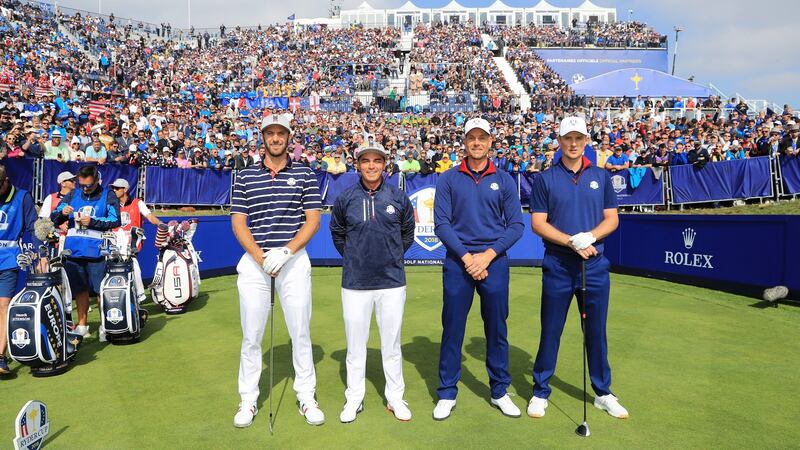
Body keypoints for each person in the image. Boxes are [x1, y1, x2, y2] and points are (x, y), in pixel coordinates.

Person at [527, 116, 629, 420]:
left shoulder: (600, 175)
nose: (573, 144)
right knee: (552, 330)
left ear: (586, 141)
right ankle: (540, 390)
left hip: (595, 265)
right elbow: (538, 223)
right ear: (559, 141)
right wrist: (571, 240)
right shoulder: (546, 178)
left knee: (596, 331)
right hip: (558, 264)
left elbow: (612, 218)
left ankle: (603, 392)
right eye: (568, 138)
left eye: (579, 138)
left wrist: (592, 236)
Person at [230, 114, 325, 428]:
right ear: (263, 137)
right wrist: (260, 256)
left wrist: (286, 251)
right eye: (269, 133)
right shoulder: (245, 176)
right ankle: (248, 399)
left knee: (300, 333)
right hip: (255, 262)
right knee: (252, 336)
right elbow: (238, 222)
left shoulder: (305, 173)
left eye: (280, 133)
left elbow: (313, 219)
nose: (275, 138)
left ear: (288, 137)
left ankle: (306, 396)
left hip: (294, 261)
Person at [432, 118, 524, 420]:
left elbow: (516, 226)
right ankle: (447, 392)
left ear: (490, 142)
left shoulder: (505, 179)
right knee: (453, 329)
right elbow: (442, 224)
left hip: (493, 262)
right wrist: (467, 258)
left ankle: (499, 390)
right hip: (458, 262)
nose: (476, 143)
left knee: (497, 329)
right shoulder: (448, 179)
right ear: (465, 141)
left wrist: (486, 256)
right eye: (471, 138)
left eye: (482, 138)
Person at [329, 144, 415, 423]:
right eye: (365, 161)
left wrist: (388, 258)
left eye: (377, 161)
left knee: (391, 345)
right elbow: (338, 234)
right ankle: (354, 398)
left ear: (384, 164)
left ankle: (395, 397)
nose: (371, 166)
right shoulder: (345, 199)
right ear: (358, 165)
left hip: (391, 282)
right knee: (356, 347)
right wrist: (357, 259)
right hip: (355, 283)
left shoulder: (398, 197)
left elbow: (407, 235)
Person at [51, 165, 121, 337]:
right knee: (79, 289)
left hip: (97, 251)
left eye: (88, 185)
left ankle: (105, 325)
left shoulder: (108, 195)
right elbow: (54, 216)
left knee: (100, 289)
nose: (85, 188)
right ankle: (82, 326)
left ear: (97, 180)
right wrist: (62, 212)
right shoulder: (73, 194)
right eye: (81, 184)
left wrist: (93, 221)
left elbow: (115, 220)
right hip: (73, 251)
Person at [0, 165, 43, 374]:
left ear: (6, 181)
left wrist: (38, 252)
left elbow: (32, 227)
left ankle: (0, 356)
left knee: (3, 306)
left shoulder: (22, 197)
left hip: (9, 259)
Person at [109, 178, 161, 307]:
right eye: (113, 188)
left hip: (132, 243)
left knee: (131, 266)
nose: (114, 191)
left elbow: (149, 216)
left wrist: (162, 225)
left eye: (117, 188)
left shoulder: (138, 203)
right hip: (114, 242)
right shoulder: (110, 204)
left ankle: (136, 298)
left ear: (125, 189)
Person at [39, 171, 76, 236]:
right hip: (55, 237)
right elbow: (43, 219)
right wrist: (59, 225)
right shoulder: (50, 197)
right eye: (72, 180)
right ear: (63, 183)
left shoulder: (78, 198)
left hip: (73, 237)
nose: (75, 182)